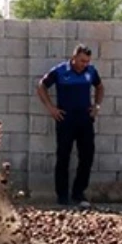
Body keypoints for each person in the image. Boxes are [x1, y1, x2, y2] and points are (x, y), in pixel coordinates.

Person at [37, 44, 104, 208]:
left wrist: (97, 105)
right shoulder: (60, 71)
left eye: (87, 61)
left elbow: (100, 87)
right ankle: (62, 196)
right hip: (65, 120)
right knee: (63, 157)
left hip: (85, 119)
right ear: (73, 58)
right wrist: (51, 108)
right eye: (82, 61)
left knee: (87, 156)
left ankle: (78, 193)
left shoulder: (91, 72)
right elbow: (41, 86)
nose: (84, 64)